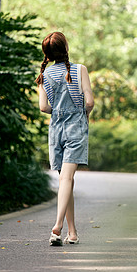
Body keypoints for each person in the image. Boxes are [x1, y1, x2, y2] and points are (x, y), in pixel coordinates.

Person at [35, 32, 94, 246]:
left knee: (65, 180)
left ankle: (73, 232)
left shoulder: (44, 76)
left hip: (57, 130)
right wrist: (83, 114)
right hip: (76, 128)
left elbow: (43, 108)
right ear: (65, 48)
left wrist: (59, 110)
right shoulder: (80, 70)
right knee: (67, 180)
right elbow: (89, 101)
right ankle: (58, 226)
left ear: (47, 54)